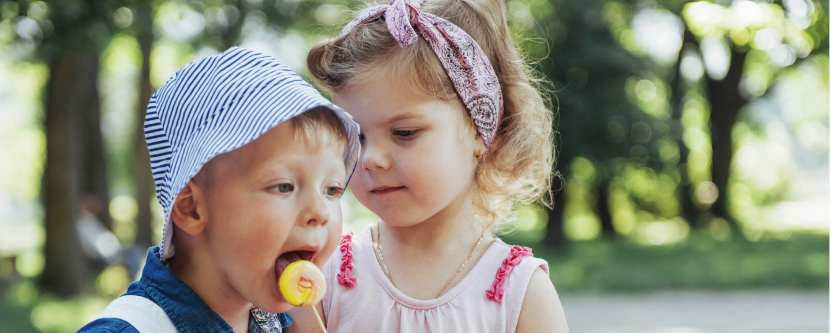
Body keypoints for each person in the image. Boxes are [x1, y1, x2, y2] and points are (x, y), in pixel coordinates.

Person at [288, 0, 568, 331]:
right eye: (356, 137)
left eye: (404, 133)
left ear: (480, 131)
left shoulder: (521, 294)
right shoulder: (324, 275)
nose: (371, 158)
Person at [78, 47, 361, 333]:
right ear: (192, 207)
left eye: (332, 189)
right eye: (283, 186)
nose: (321, 212)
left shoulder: (284, 323)